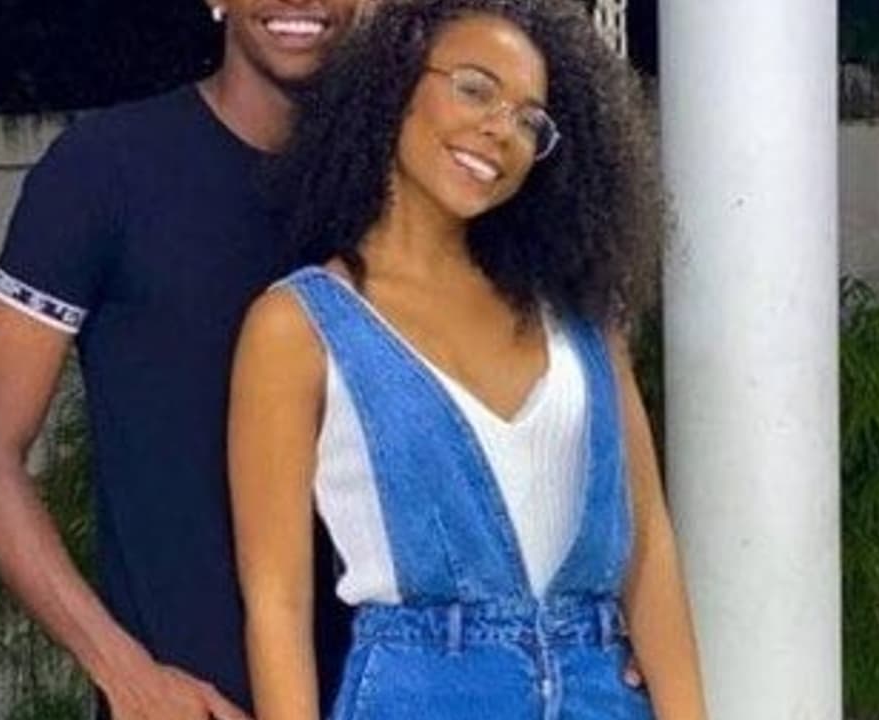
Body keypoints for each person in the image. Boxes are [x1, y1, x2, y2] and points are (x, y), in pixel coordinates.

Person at [228, 0, 706, 718]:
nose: (501, 129)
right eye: (475, 88)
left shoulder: (578, 320)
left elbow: (649, 548)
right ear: (395, 85)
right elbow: (276, 605)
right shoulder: (299, 327)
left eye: (530, 120)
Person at [0, 1, 367, 718]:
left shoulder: (395, 190)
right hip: (193, 700)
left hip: (380, 691)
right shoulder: (106, 170)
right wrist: (125, 670)